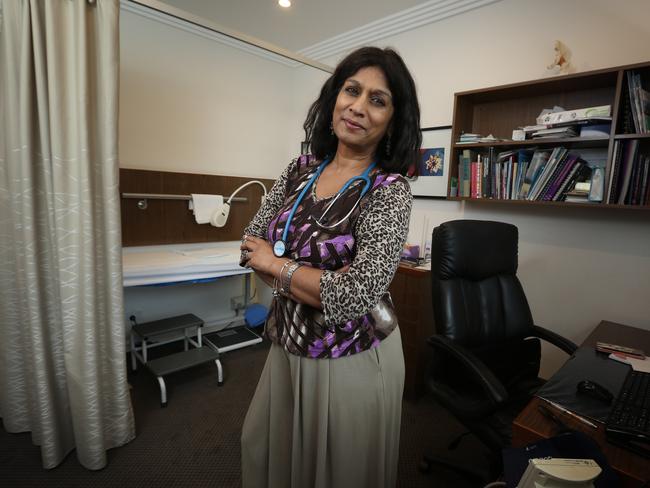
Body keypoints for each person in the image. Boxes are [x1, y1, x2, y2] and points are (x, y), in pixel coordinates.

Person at [239, 46, 421, 488]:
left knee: (338, 472)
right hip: (288, 343)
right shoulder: (300, 169)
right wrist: (314, 280)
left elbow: (356, 295)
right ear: (334, 98)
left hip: (350, 357)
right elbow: (249, 246)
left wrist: (278, 267)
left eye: (378, 100)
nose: (359, 107)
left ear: (393, 120)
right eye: (352, 90)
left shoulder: (390, 189)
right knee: (263, 449)